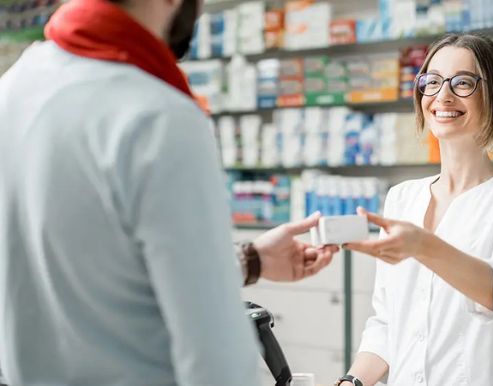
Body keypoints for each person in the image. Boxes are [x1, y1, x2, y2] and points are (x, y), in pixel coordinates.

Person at [0, 0, 337, 385]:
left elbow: (88, 269)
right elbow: (217, 362)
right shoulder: (158, 115)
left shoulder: (14, 88)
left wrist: (252, 260)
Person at [338, 34, 493, 386]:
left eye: (463, 82)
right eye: (432, 82)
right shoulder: (402, 198)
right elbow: (388, 322)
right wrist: (351, 382)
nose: (442, 96)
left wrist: (421, 245)